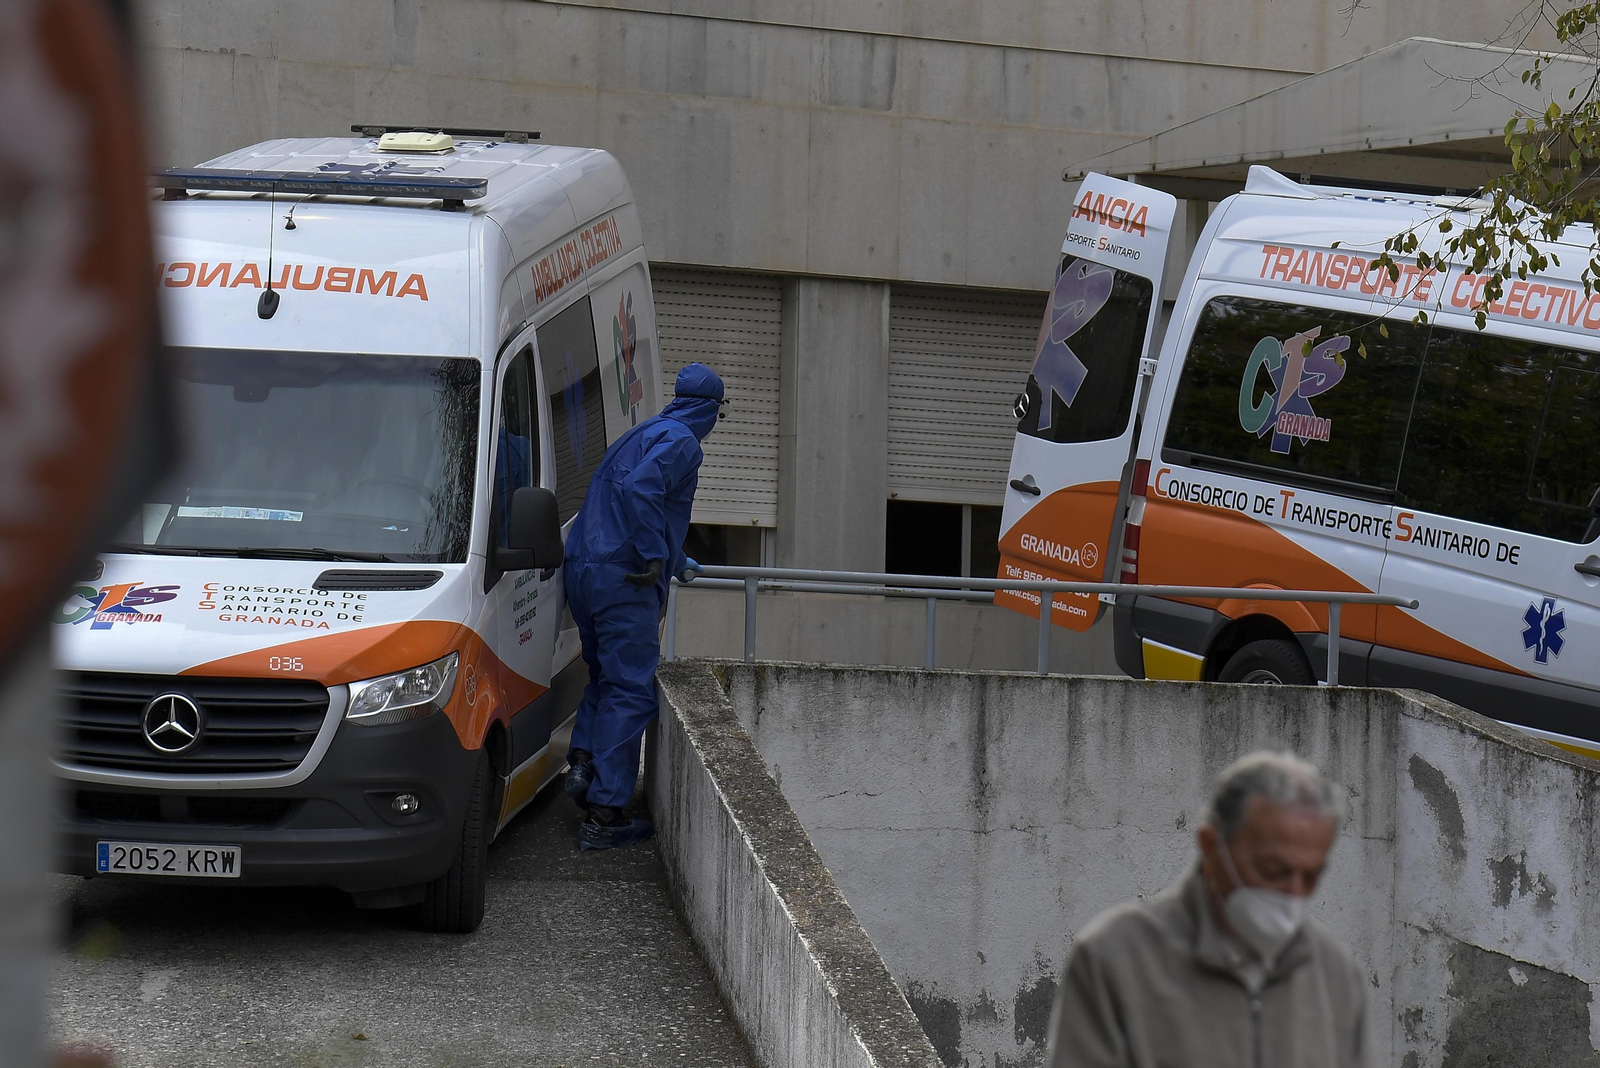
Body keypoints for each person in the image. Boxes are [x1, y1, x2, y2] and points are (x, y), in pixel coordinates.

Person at [1045, 751, 1370, 1068]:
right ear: (1211, 848)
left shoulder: (1337, 976)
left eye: (1311, 877)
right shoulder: (1113, 960)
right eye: (1273, 871)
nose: (1294, 893)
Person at [560, 363, 724, 850]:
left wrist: (676, 558)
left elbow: (620, 505)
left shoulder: (644, 432)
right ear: (711, 409)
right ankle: (605, 815)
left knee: (604, 677)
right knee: (632, 690)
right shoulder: (683, 443)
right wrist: (656, 556)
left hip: (587, 572)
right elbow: (643, 491)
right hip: (625, 581)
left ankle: (584, 767)